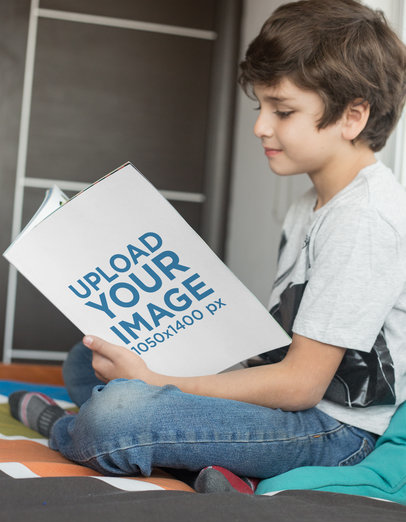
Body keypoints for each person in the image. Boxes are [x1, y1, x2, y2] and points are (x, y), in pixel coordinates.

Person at [9, 0, 406, 493]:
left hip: (334, 431)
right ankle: (212, 466)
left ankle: (66, 431)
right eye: (261, 107)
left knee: (119, 410)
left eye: (282, 111)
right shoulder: (311, 201)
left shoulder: (366, 220)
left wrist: (158, 383)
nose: (261, 126)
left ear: (353, 116)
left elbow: (301, 386)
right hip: (288, 399)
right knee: (83, 358)